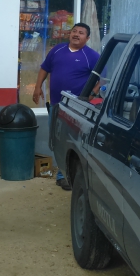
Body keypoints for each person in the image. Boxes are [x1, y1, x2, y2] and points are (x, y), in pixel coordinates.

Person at [33, 23, 100, 190]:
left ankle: (71, 176)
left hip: (78, 109)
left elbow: (100, 80)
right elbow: (44, 68)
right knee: (56, 140)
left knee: (74, 141)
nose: (76, 34)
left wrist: (90, 96)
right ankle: (62, 174)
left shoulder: (91, 56)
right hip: (56, 106)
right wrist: (37, 87)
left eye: (81, 33)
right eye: (74, 31)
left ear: (88, 38)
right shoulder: (57, 50)